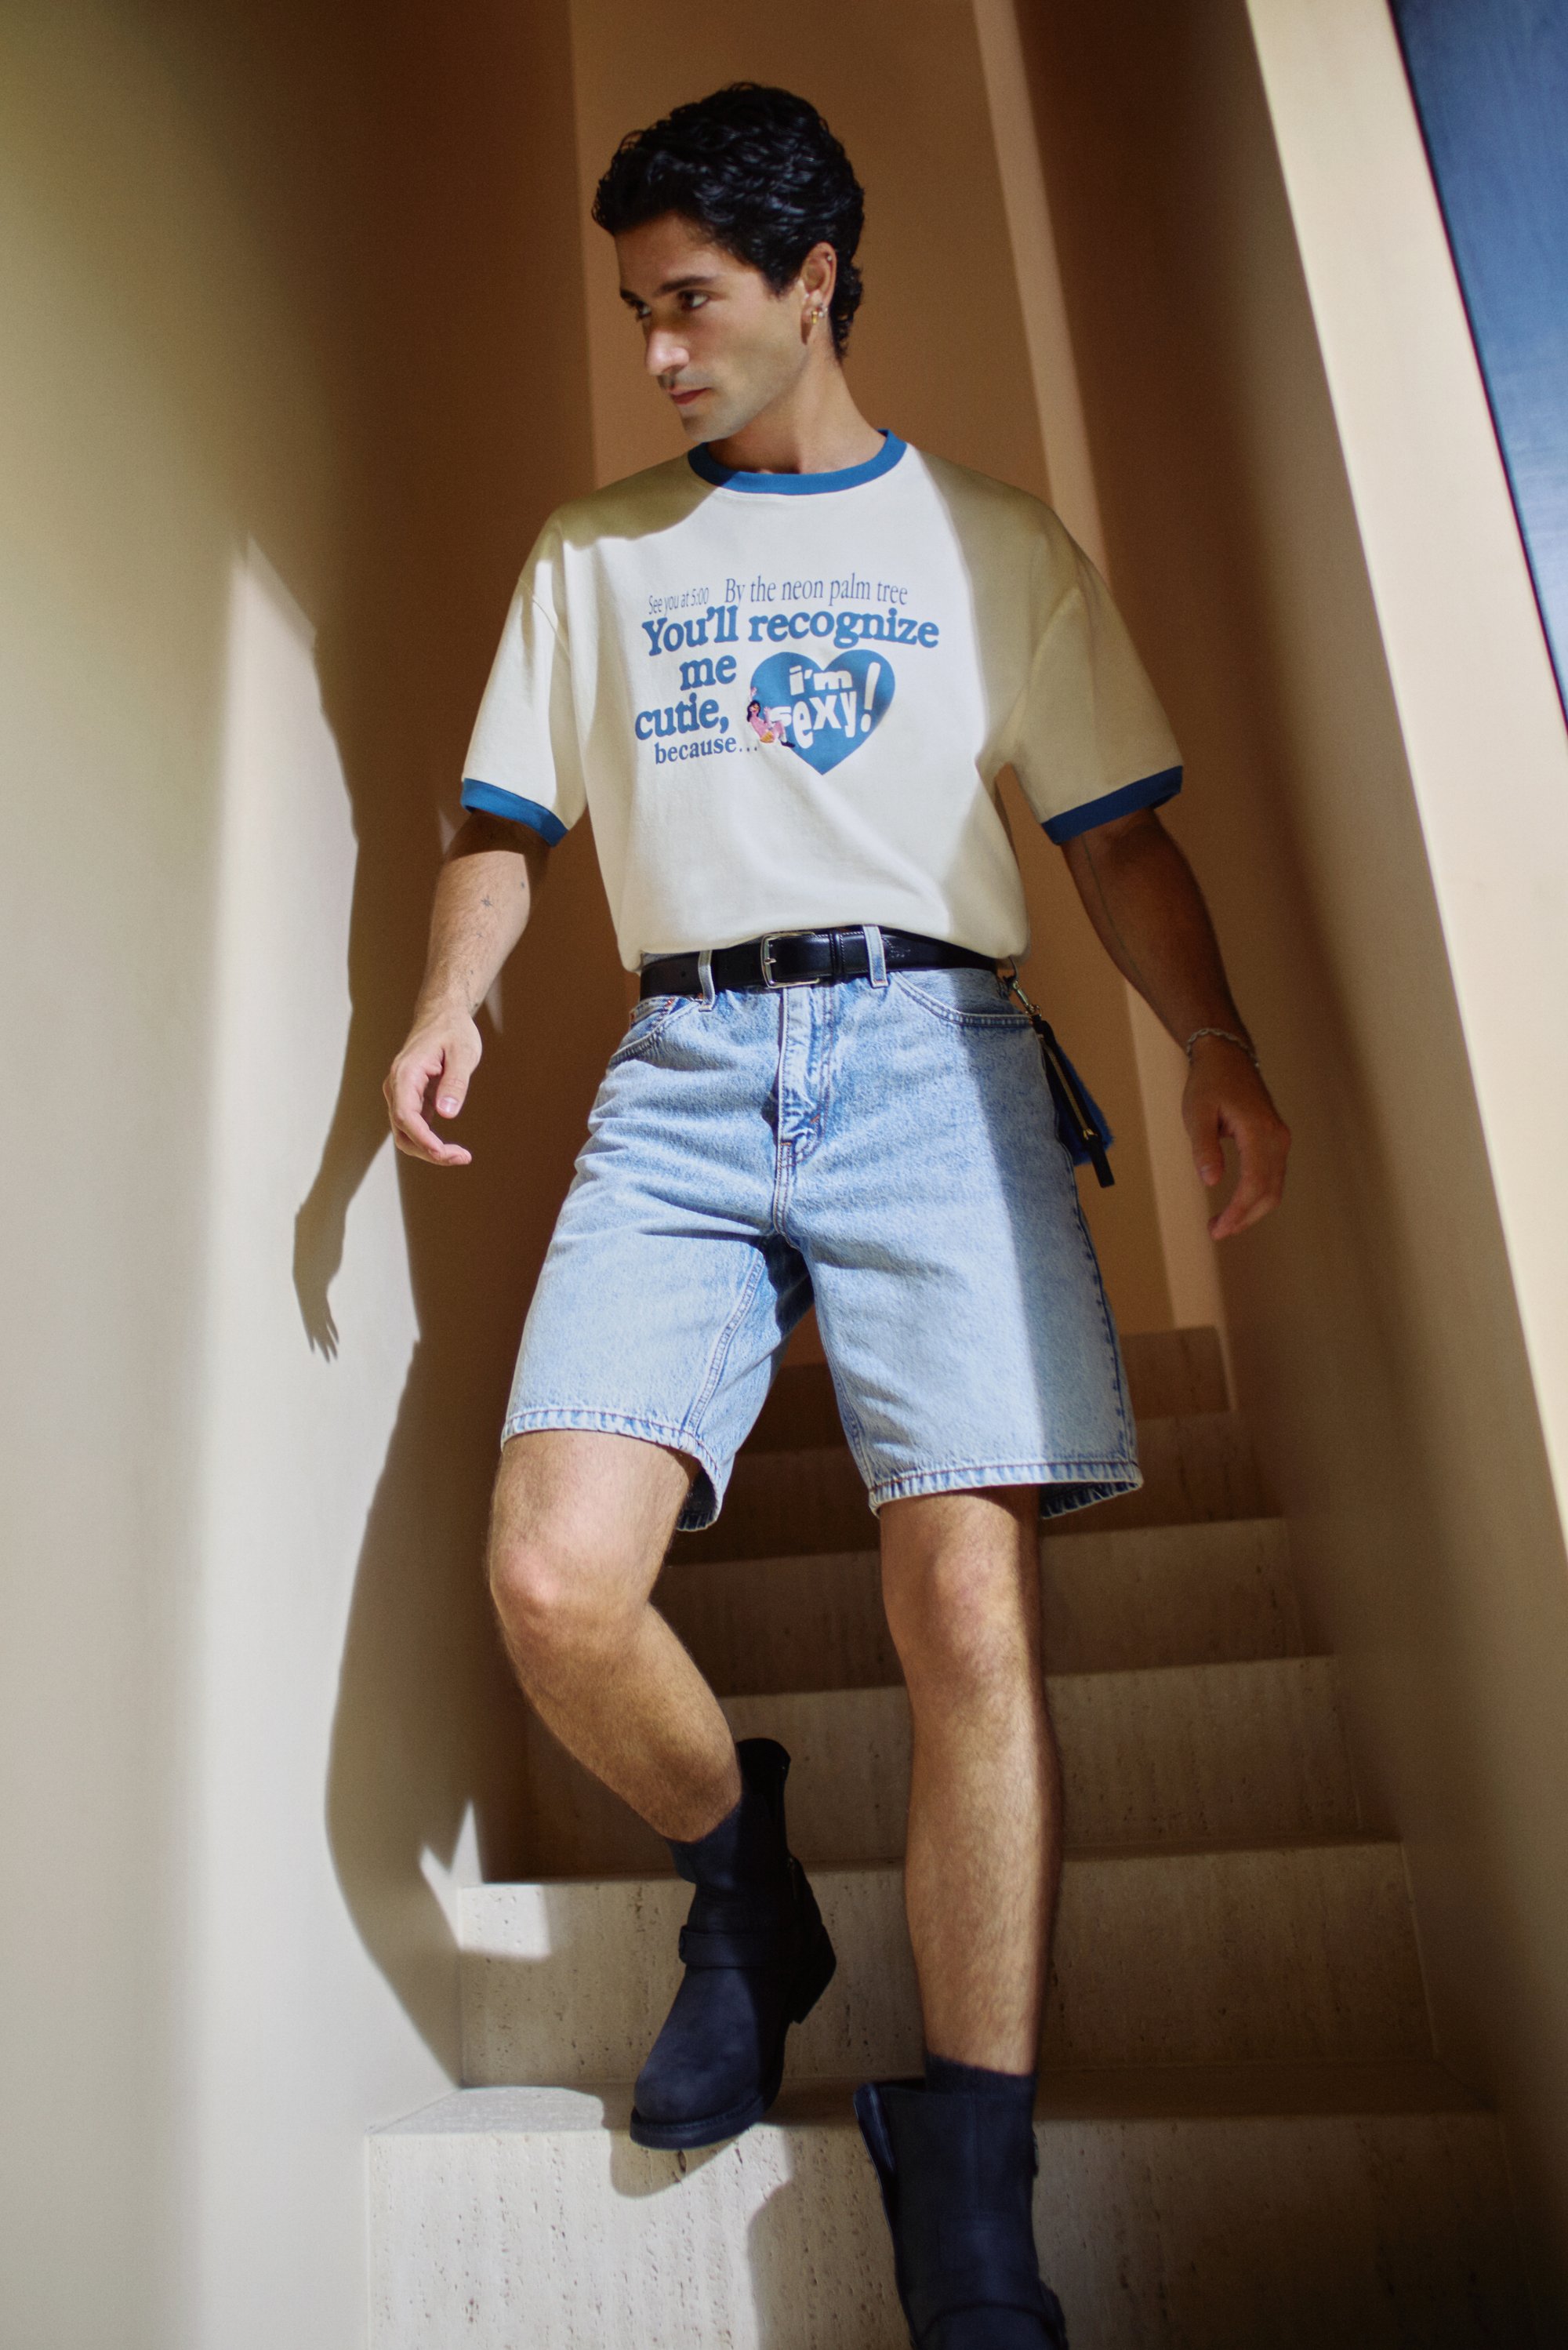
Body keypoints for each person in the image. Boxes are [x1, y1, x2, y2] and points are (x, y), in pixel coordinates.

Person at [384, 82, 1289, 2350]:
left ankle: (968, 2174)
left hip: (930, 1064)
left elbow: (1116, 839)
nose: (659, 350)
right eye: (635, 310)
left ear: (815, 283)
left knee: (966, 1604)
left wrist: (1220, 1046)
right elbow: (507, 819)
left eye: (692, 304)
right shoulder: (596, 556)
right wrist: (452, 1006)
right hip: (684, 1074)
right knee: (551, 1579)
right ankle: (740, 1872)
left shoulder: (989, 543)